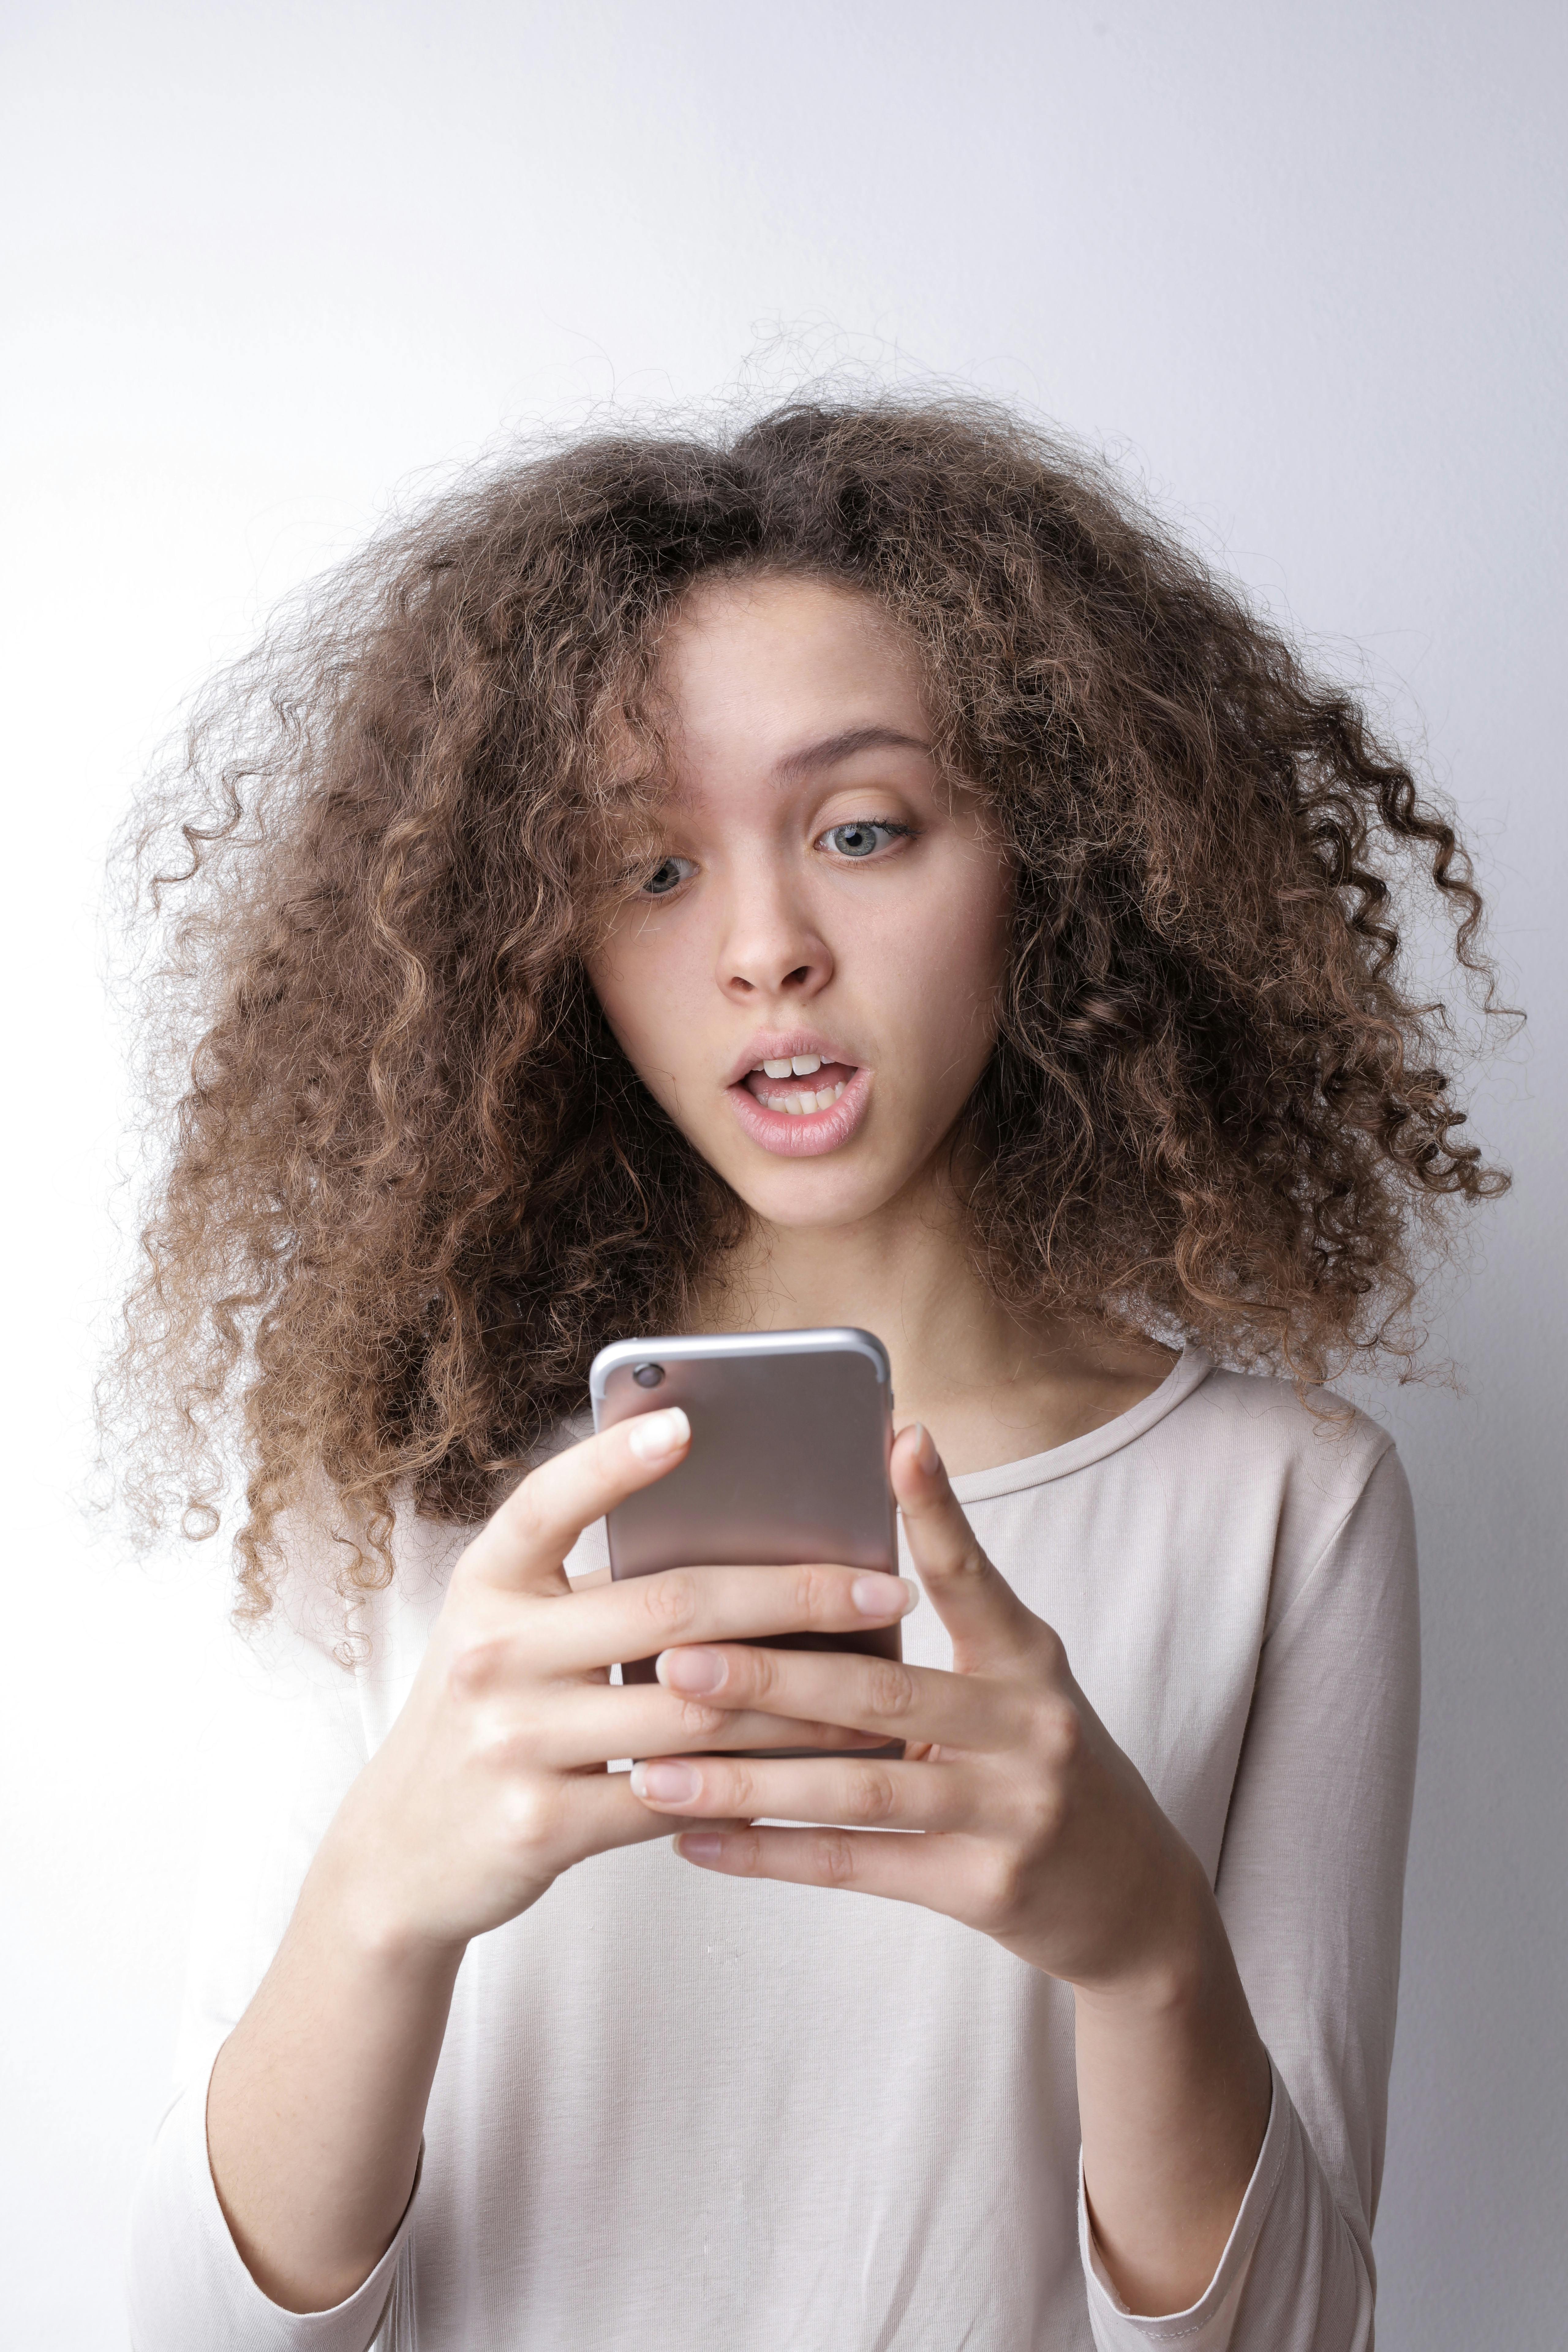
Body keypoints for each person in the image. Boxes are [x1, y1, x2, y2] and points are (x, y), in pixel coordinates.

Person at [119, 396, 1504, 2351]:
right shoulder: (413, 1500)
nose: (768, 945)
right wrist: (381, 1902)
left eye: (863, 831)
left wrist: (1140, 1944)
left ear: (1056, 864)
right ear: (546, 940)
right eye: (652, 868)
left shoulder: (1287, 1507)